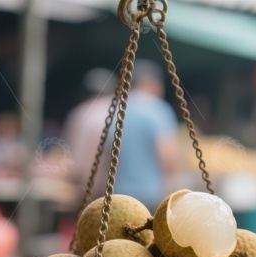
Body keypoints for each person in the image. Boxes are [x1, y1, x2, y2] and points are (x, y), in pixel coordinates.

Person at [113, 60, 179, 210]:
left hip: (118, 194)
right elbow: (168, 157)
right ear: (152, 83)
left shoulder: (117, 108)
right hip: (150, 196)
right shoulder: (158, 110)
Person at [63, 68, 116, 198]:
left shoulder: (80, 113)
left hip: (87, 184)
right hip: (118, 185)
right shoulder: (122, 111)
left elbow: (73, 156)